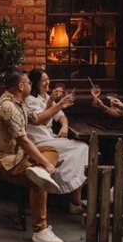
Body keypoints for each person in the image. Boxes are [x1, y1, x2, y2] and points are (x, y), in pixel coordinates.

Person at [0, 70, 65, 242]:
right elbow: (23, 140)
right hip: (3, 161)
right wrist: (45, 164)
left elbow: (38, 120)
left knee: (51, 149)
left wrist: (59, 105)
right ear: (21, 86)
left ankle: (39, 171)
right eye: (28, 82)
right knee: (39, 181)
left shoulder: (20, 102)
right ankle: (40, 231)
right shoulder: (8, 107)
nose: (31, 84)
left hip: (19, 156)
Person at [25, 69, 88, 214]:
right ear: (35, 83)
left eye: (48, 79)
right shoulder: (29, 100)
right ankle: (65, 188)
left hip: (50, 137)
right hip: (38, 142)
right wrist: (54, 104)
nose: (47, 83)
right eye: (43, 80)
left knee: (83, 151)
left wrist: (64, 126)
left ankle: (72, 197)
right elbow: (40, 120)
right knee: (82, 148)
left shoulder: (47, 96)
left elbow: (61, 116)